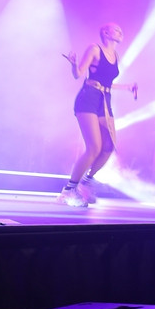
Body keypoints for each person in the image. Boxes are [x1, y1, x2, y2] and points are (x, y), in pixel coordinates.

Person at [59, 22, 137, 207]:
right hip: (88, 98)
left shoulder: (116, 55)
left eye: (121, 29)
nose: (120, 32)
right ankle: (68, 191)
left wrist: (127, 87)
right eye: (116, 29)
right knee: (94, 147)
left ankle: (86, 183)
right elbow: (79, 74)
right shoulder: (95, 49)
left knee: (108, 147)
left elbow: (107, 82)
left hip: (104, 100)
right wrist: (73, 63)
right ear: (105, 32)